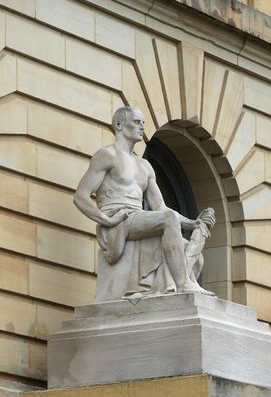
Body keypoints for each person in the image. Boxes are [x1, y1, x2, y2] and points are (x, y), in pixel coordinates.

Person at [73, 106, 216, 301]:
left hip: (138, 218)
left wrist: (193, 223)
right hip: (119, 219)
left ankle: (176, 290)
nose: (142, 127)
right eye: (137, 122)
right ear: (119, 124)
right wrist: (106, 220)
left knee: (195, 257)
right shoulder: (107, 155)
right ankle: (183, 284)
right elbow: (80, 196)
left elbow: (160, 208)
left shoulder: (145, 166)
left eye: (143, 123)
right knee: (169, 219)